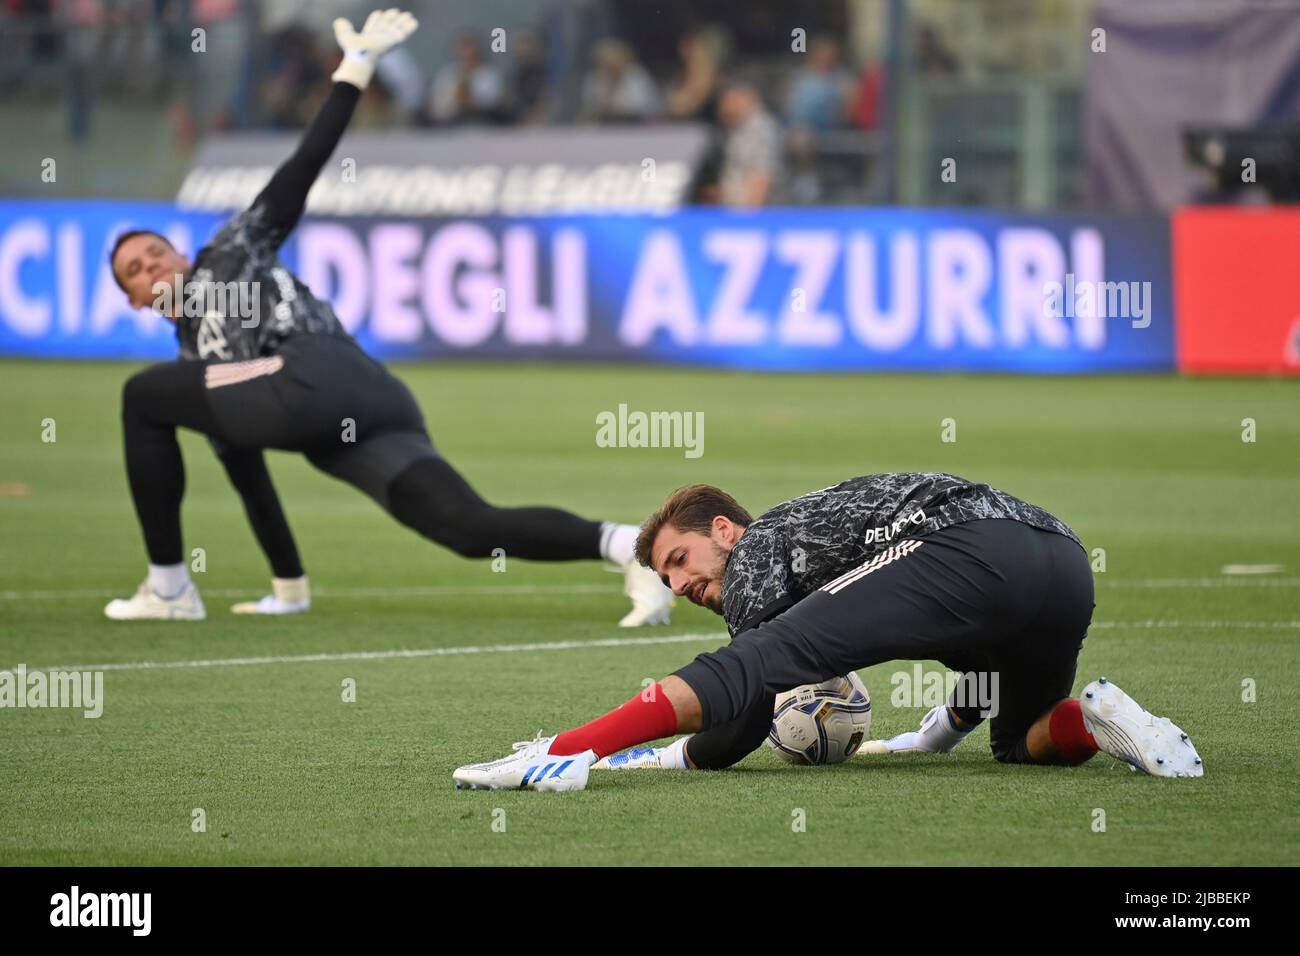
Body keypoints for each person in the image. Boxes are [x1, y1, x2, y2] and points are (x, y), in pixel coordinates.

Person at [104, 9, 672, 628]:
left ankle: (167, 589)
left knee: (140, 394)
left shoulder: (229, 252)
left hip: (317, 372)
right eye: (135, 270)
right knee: (467, 526)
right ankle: (630, 547)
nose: (152, 266)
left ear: (183, 254)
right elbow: (247, 472)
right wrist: (288, 586)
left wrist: (354, 68)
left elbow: (302, 167)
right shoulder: (201, 371)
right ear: (135, 302)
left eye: (156, 251)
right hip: (358, 408)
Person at [452, 474, 1204, 791]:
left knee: (757, 660)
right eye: (666, 582)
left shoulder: (758, 553)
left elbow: (738, 722)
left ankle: (558, 754)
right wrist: (938, 732)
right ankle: (1101, 719)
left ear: (725, 529)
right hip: (1060, 560)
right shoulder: (815, 543)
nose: (680, 586)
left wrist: (627, 755)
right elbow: (980, 652)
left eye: (679, 560)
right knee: (1026, 740)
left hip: (972, 547)